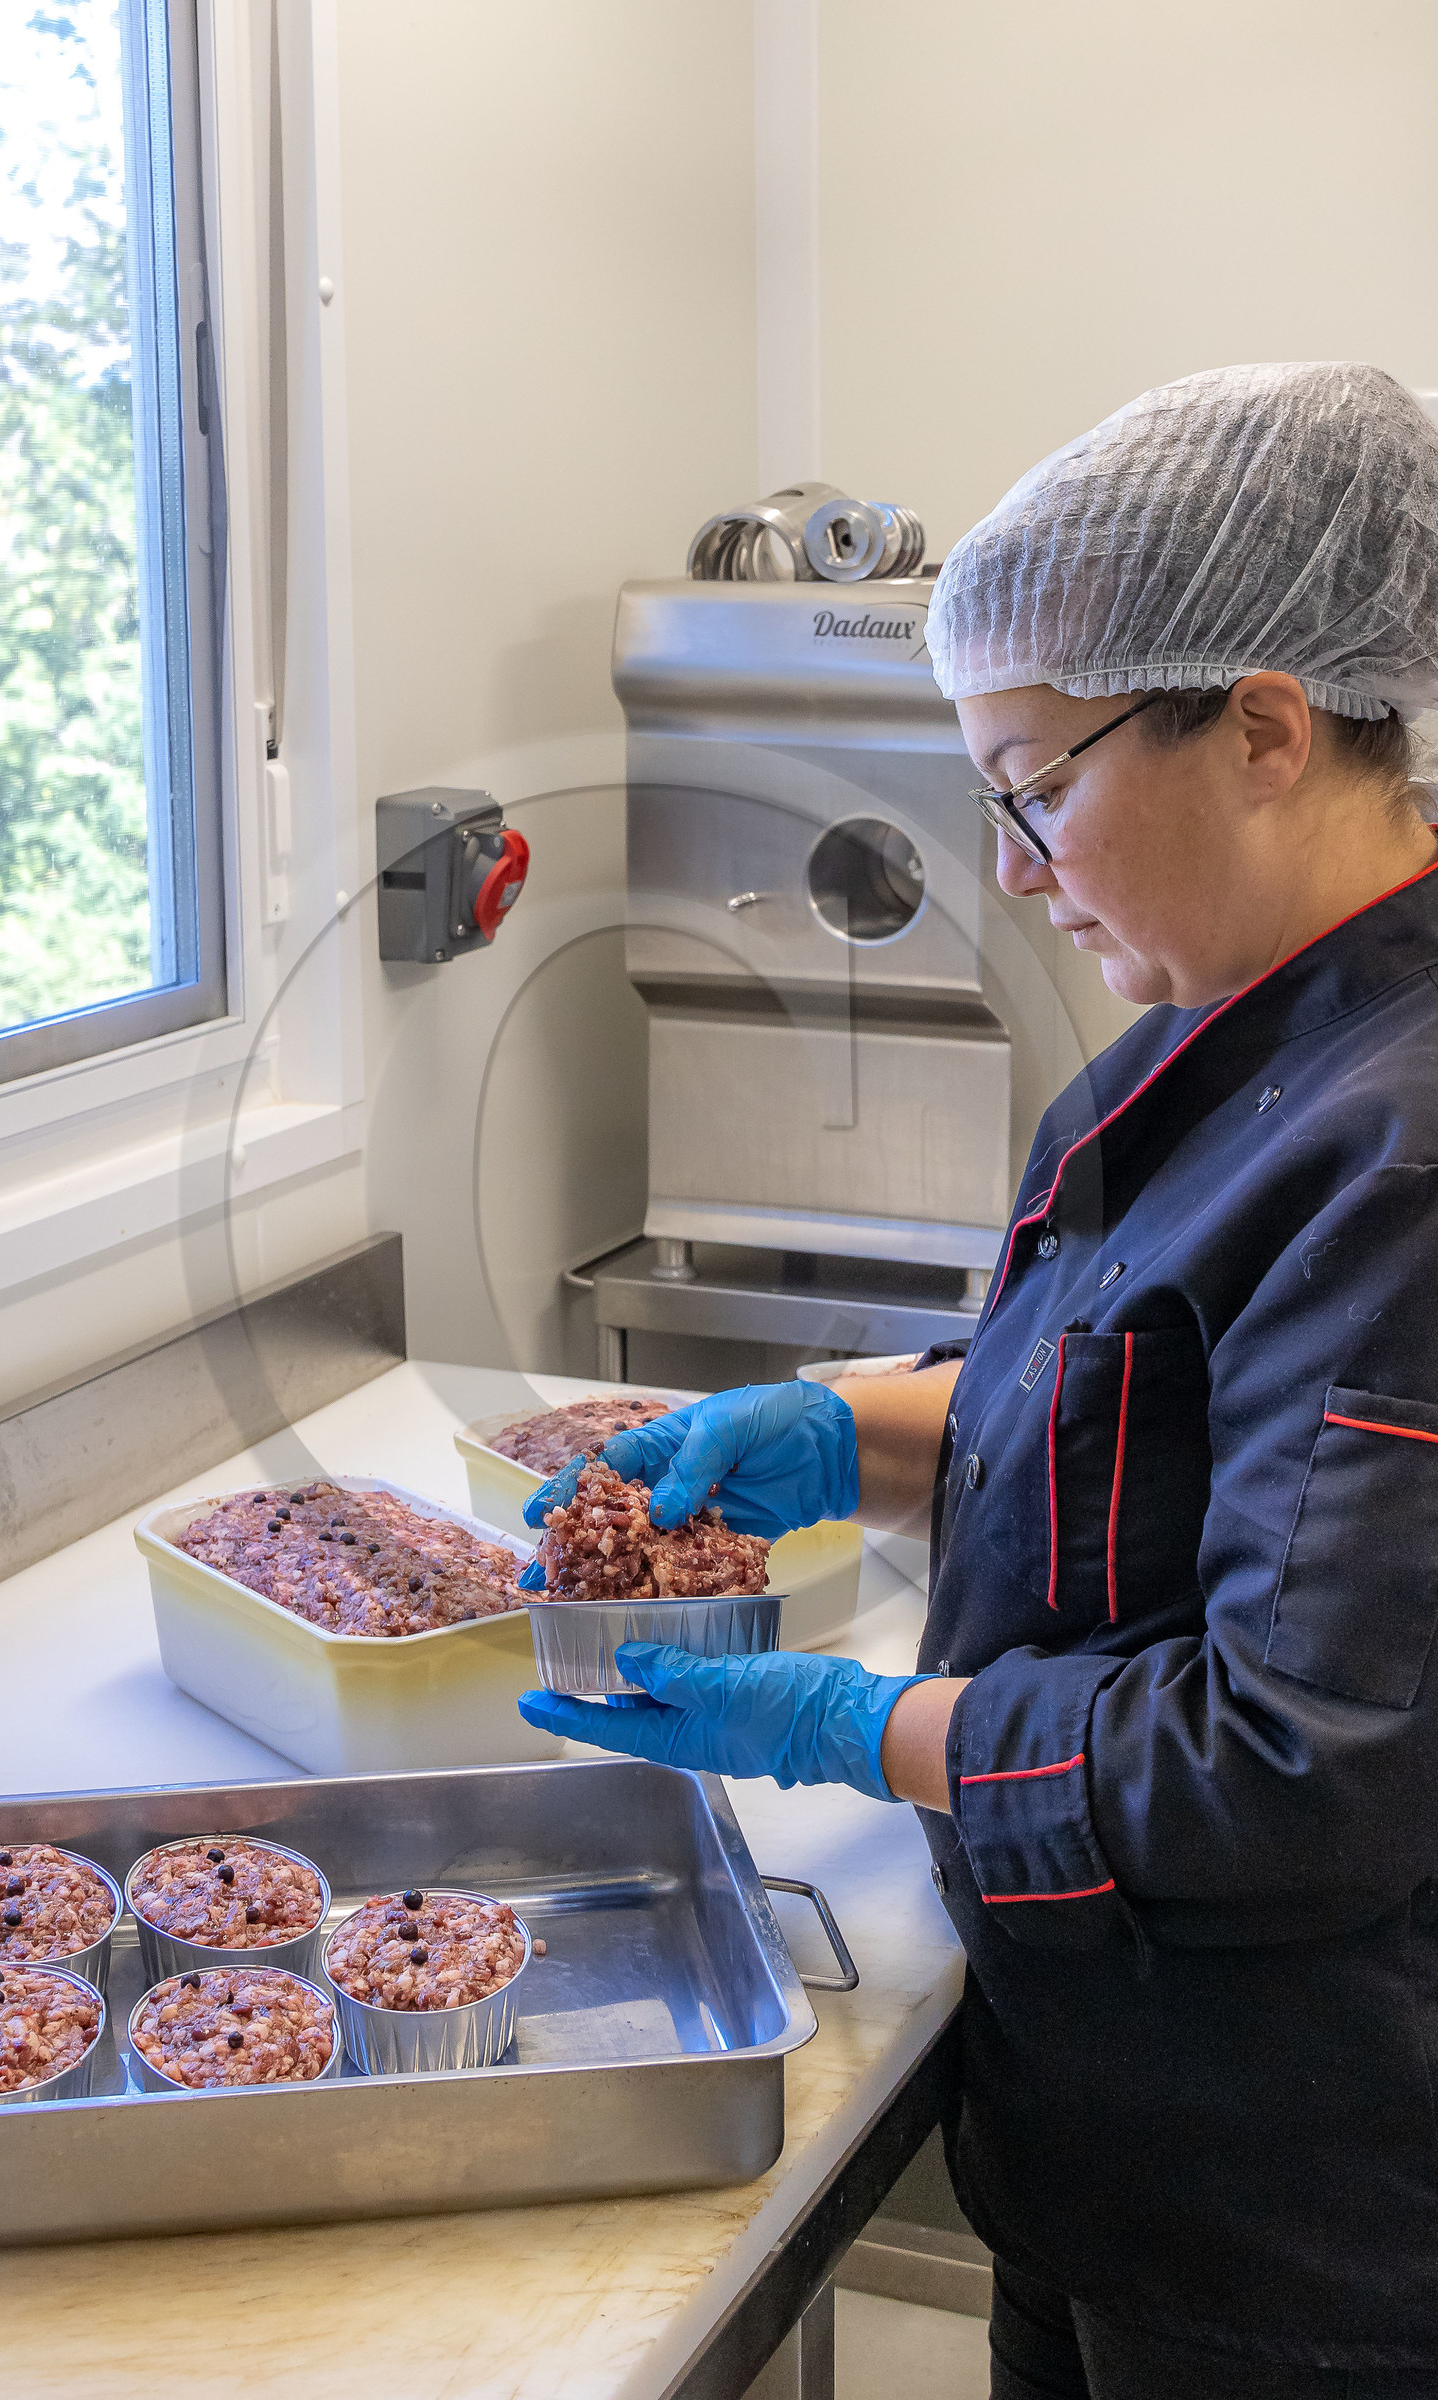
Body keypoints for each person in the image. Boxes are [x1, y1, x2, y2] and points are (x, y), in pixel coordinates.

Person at [519, 362, 1438, 2397]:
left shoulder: (1405, 1153)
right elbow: (1165, 1409)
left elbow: (1293, 1766)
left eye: (1031, 787)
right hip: (1106, 2113)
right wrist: (848, 1423)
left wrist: (858, 1724)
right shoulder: (1212, 1039)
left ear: (1265, 726)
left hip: (1297, 2206)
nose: (1008, 866)